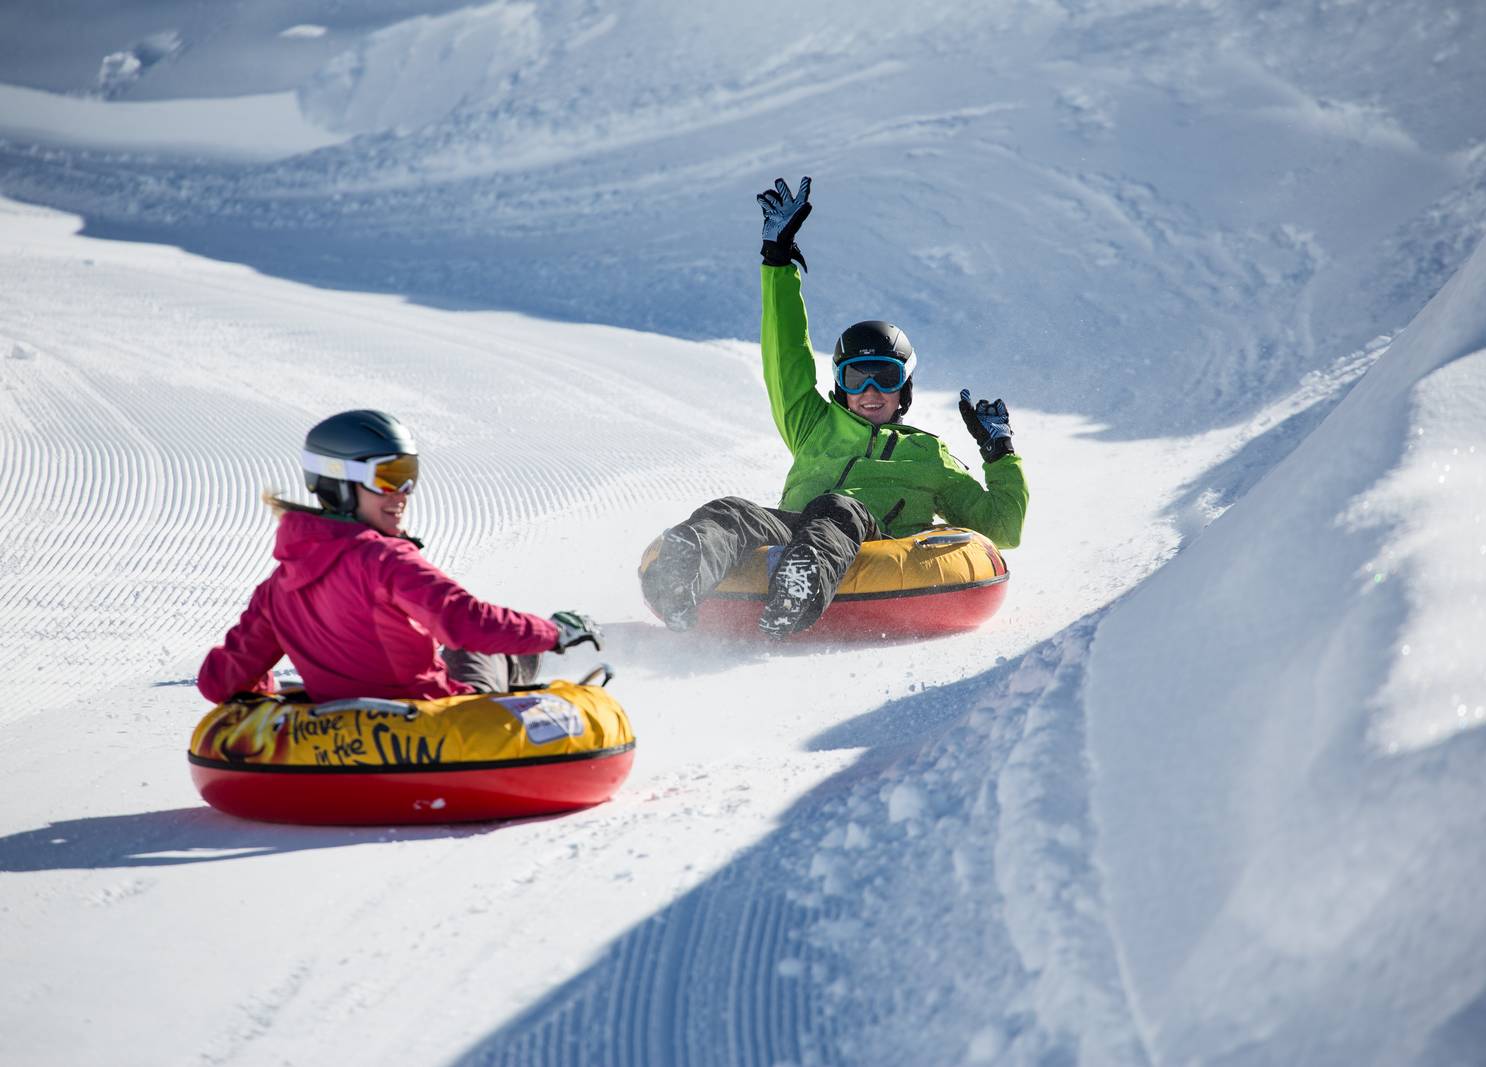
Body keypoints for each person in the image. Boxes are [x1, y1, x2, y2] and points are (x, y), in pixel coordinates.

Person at [640, 176, 1028, 639]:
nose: (869, 391)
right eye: (854, 378)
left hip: (872, 541)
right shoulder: (814, 424)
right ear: (840, 385)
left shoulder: (928, 455)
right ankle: (681, 584)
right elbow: (785, 357)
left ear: (904, 386)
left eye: (884, 377)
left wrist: (999, 453)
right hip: (792, 533)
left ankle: (798, 592)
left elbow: (1002, 528)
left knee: (838, 506)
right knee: (732, 510)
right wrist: (777, 261)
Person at [197, 409, 602, 705]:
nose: (403, 492)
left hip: (339, 737)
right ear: (339, 482)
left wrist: (274, 701)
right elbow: (462, 622)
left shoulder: (280, 585)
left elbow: (219, 682)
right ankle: (527, 697)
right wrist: (552, 632)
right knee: (477, 646)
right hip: (433, 723)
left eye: (410, 474)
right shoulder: (384, 559)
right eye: (388, 476)